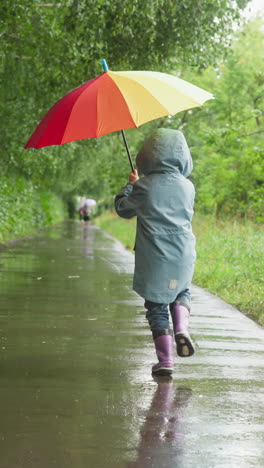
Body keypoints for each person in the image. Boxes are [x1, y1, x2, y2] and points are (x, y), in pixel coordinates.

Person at [115, 128, 196, 376]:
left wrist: (130, 186)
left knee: (157, 306)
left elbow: (123, 209)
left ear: (146, 156)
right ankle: (182, 327)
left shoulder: (145, 187)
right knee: (182, 291)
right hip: (184, 252)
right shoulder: (187, 186)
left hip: (155, 256)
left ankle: (166, 361)